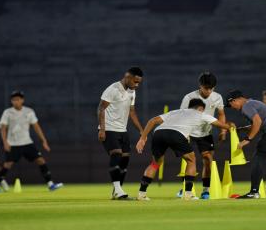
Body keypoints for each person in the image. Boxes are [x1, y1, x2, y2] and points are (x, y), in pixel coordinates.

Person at [135, 99, 233, 201]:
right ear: (201, 108)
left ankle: (141, 193)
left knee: (155, 164)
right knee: (191, 160)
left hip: (159, 133)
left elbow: (153, 121)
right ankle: (188, 194)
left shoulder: (176, 112)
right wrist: (230, 125)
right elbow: (222, 125)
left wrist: (142, 138)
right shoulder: (201, 114)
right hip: (176, 134)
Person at [0, 90, 63, 192]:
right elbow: (3, 128)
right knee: (7, 165)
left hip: (27, 143)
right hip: (13, 144)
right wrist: (5, 142)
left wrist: (43, 141)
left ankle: (50, 184)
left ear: (22, 100)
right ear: (11, 101)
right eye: (13, 100)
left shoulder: (29, 111)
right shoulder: (7, 112)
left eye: (18, 99)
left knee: (41, 160)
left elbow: (36, 127)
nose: (16, 101)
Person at [177, 72, 226, 199]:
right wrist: (183, 134)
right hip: (190, 133)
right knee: (189, 160)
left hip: (205, 134)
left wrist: (223, 130)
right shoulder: (189, 97)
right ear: (200, 86)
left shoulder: (217, 97)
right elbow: (181, 115)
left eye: (211, 88)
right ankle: (186, 188)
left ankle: (206, 190)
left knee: (208, 160)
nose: (208, 91)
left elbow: (221, 114)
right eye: (206, 88)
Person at [97, 67, 144, 200]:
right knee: (116, 154)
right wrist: (102, 129)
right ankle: (118, 190)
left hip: (123, 130)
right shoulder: (113, 89)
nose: (137, 85)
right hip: (110, 128)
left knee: (125, 160)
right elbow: (101, 108)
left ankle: (117, 191)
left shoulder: (132, 92)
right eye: (135, 81)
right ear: (127, 77)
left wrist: (141, 130)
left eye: (139, 82)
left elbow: (132, 112)